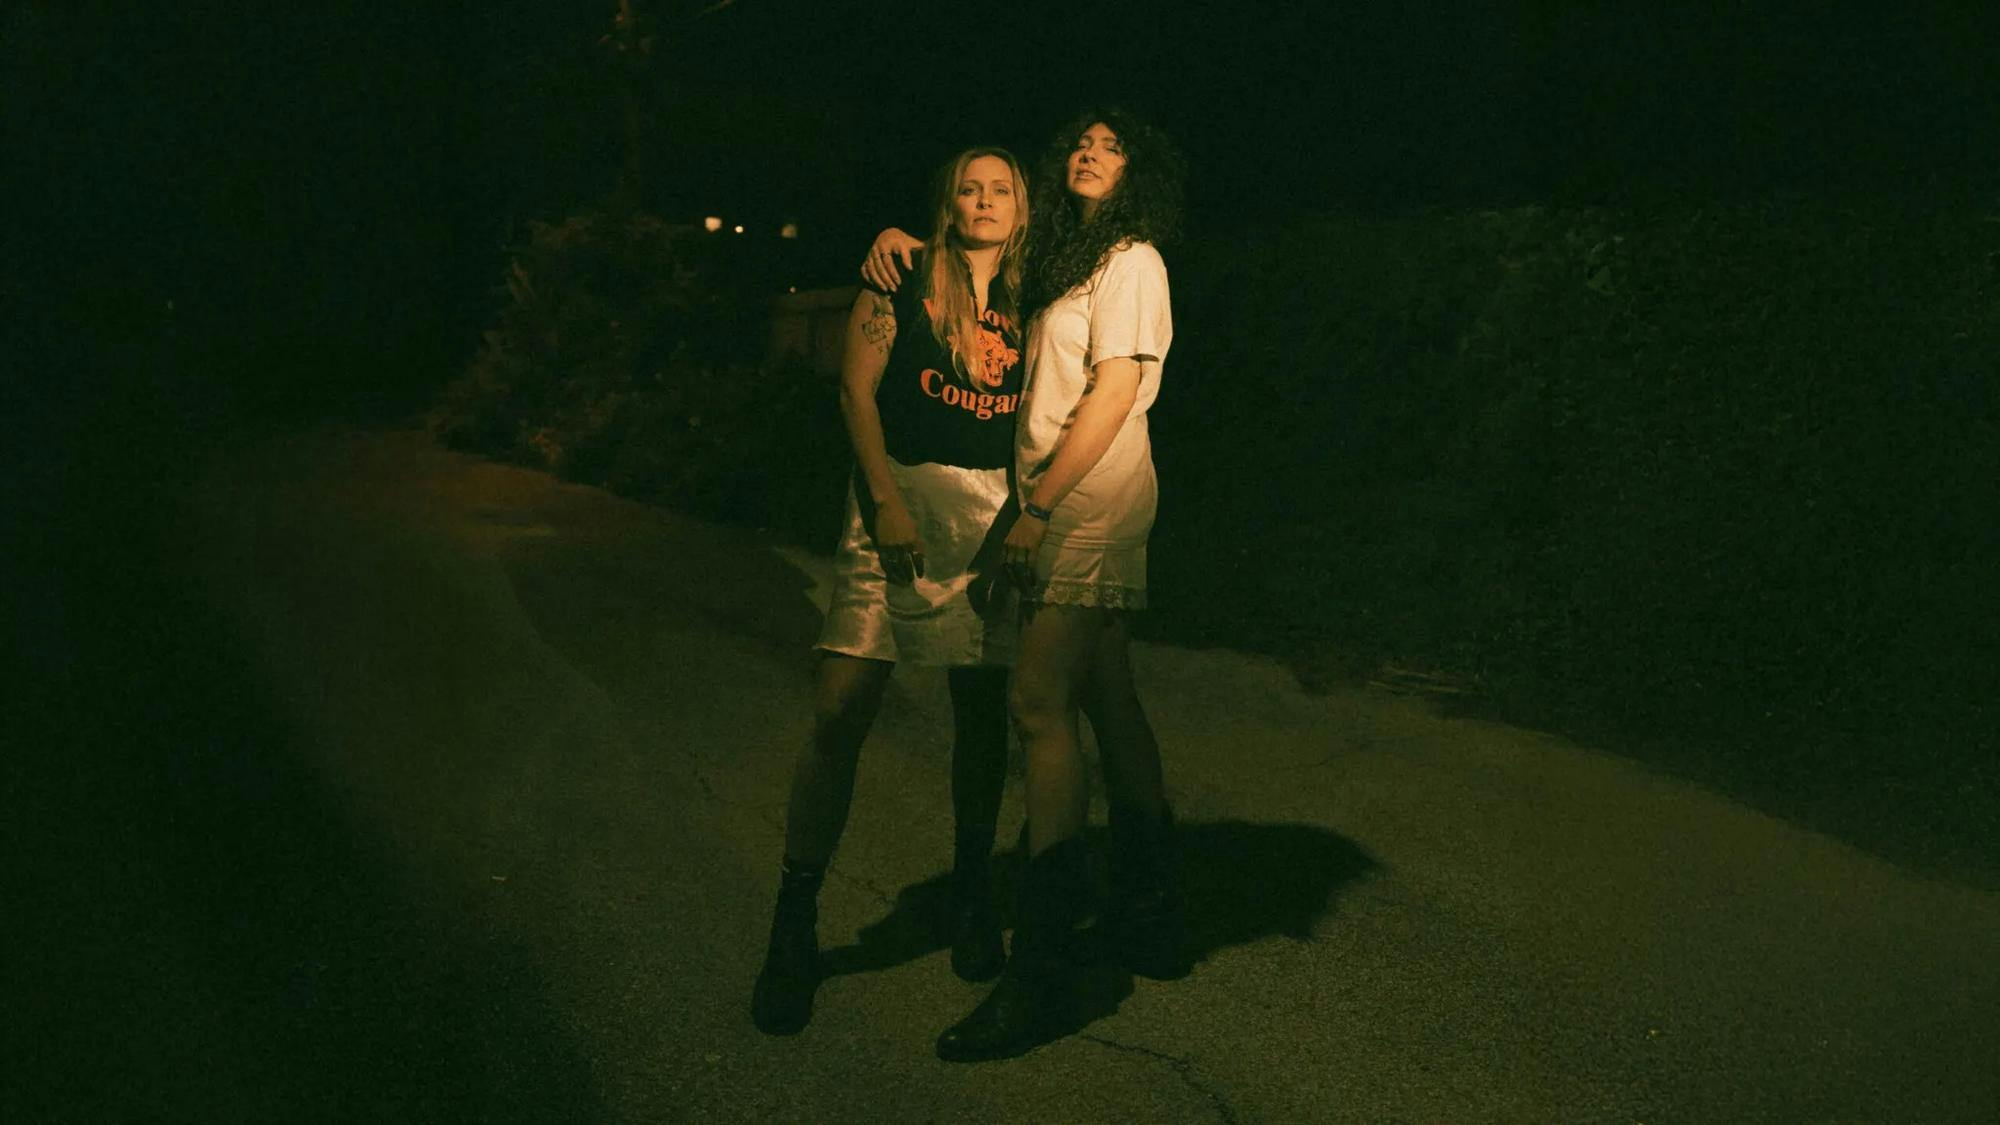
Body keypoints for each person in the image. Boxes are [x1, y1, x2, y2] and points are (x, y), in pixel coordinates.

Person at [862, 106, 1189, 1061]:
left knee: (1037, 705)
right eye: (1082, 141)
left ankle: (1040, 971)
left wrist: (1038, 507)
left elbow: (1116, 392)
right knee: (1109, 696)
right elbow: (976, 243)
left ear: (1138, 171)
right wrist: (901, 238)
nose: (1090, 152)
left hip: (1086, 503)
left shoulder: (1132, 260)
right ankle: (1153, 907)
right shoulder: (1072, 260)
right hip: (1062, 500)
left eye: (1113, 146)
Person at [751, 147, 1032, 1036]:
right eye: (969, 188)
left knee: (980, 718)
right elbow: (856, 391)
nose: (984, 200)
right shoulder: (901, 273)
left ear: (1022, 207)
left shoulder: (1039, 294)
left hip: (988, 516)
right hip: (897, 501)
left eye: (1001, 189)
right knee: (840, 707)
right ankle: (794, 920)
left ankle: (971, 894)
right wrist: (883, 501)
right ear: (947, 201)